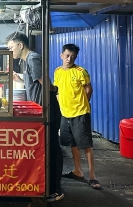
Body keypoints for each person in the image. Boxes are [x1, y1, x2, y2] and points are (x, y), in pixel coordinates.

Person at [6, 32, 64, 202]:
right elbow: (33, 81)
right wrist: (21, 79)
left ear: (20, 45)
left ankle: (55, 189)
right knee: (46, 148)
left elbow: (43, 81)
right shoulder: (26, 61)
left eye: (11, 48)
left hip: (48, 109)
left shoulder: (32, 58)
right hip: (40, 108)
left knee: (52, 148)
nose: (10, 51)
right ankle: (48, 185)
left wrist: (54, 89)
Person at [54, 44, 102, 190]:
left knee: (86, 144)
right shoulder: (57, 71)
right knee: (73, 143)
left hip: (80, 113)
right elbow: (57, 90)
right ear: (61, 55)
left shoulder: (81, 71)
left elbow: (89, 89)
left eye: (73, 57)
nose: (69, 59)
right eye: (67, 55)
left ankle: (92, 176)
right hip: (65, 113)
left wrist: (83, 104)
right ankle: (77, 171)